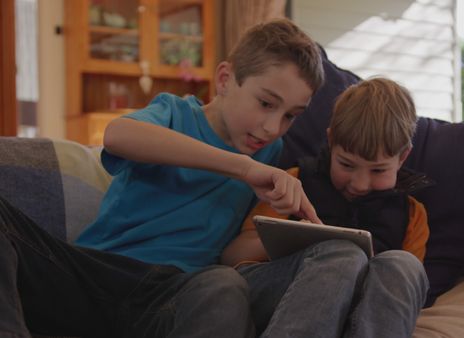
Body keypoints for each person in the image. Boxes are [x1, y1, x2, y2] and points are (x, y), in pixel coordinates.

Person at [0, 18, 324, 338]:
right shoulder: (175, 112)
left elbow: (231, 255)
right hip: (93, 272)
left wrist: (287, 236)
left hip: (172, 294)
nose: (273, 127)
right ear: (225, 79)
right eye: (266, 103)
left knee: (224, 284)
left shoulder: (271, 152)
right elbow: (117, 135)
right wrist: (242, 166)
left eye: (290, 116)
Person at [222, 77, 432, 338]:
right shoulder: (294, 182)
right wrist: (295, 234)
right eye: (346, 165)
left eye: (378, 170)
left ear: (402, 158)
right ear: (331, 142)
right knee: (343, 254)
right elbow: (232, 257)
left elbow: (410, 294)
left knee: (405, 265)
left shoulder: (412, 214)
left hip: (364, 313)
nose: (359, 184)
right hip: (285, 293)